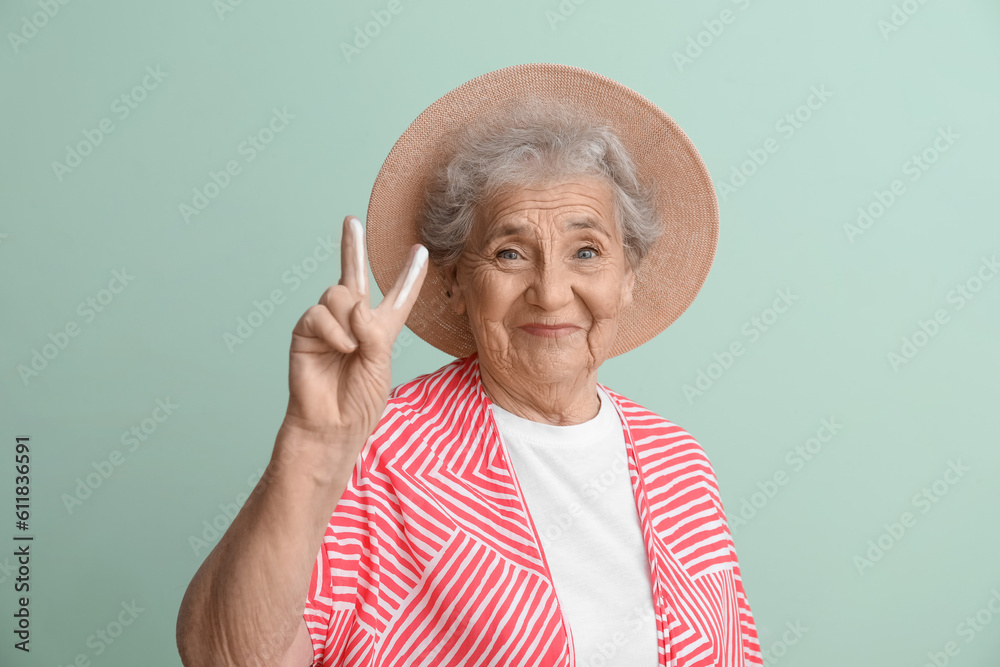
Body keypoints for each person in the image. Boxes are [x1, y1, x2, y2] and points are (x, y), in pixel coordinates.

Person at [176, 63, 762, 667]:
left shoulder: (677, 461)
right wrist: (311, 447)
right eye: (510, 252)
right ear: (455, 282)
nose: (552, 291)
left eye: (586, 250)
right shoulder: (382, 451)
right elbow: (226, 658)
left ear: (628, 278)